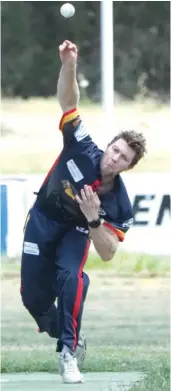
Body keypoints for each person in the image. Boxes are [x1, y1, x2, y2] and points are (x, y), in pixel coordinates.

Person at [20, 40, 147, 384]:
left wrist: (93, 219)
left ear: (128, 167)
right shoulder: (82, 145)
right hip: (43, 219)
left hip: (77, 231)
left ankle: (68, 352)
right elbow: (68, 100)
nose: (114, 157)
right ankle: (61, 329)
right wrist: (70, 65)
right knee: (31, 298)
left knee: (72, 278)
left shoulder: (118, 202)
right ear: (110, 145)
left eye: (123, 158)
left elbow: (108, 252)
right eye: (115, 150)